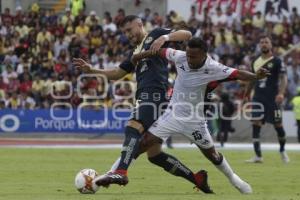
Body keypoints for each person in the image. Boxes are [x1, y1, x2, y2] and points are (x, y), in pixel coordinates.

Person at [74, 16, 214, 193]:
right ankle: (197, 179)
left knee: (133, 127)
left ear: (139, 25)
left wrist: (165, 38)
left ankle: (120, 172)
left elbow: (187, 34)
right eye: (124, 32)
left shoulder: (155, 35)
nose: (127, 34)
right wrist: (92, 70)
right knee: (154, 155)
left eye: (129, 30)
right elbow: (117, 73)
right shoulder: (135, 53)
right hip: (148, 97)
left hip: (155, 94)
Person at [123, 37, 269, 193]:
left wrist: (255, 76)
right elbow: (159, 51)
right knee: (142, 144)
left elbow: (238, 73)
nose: (189, 59)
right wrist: (138, 56)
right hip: (172, 115)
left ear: (204, 55)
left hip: (195, 121)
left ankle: (234, 179)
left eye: (193, 56)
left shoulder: (213, 67)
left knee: (213, 156)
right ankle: (117, 173)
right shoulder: (180, 56)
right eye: (188, 55)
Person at [244, 35, 290, 163]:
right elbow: (252, 79)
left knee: (278, 126)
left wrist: (281, 93)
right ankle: (258, 156)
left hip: (273, 98)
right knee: (256, 124)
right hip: (258, 97)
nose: (264, 44)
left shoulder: (277, 61)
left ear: (271, 45)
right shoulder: (255, 62)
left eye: (266, 42)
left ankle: (282, 151)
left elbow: (284, 78)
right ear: (259, 45)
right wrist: (247, 94)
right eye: (262, 42)